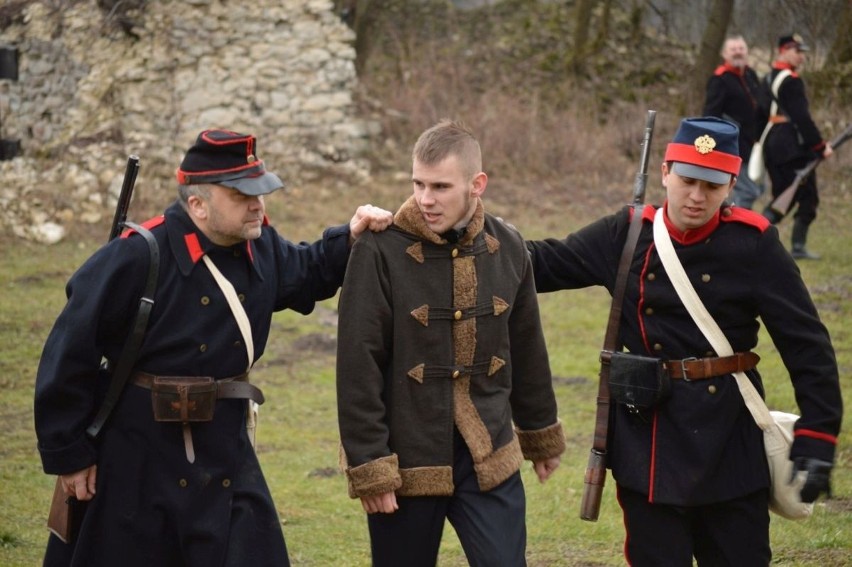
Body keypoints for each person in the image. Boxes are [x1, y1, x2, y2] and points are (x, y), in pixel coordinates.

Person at [34, 128, 394, 567]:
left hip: (223, 450)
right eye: (242, 195)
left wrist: (350, 237)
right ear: (198, 204)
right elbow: (70, 352)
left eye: (260, 192)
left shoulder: (259, 246)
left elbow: (306, 270)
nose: (257, 204)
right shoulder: (137, 256)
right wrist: (70, 456)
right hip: (136, 455)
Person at [526, 117, 842, 566]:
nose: (697, 196)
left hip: (729, 442)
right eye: (688, 180)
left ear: (732, 183)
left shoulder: (754, 244)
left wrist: (817, 435)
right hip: (647, 443)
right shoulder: (628, 232)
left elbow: (807, 344)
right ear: (665, 174)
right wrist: (469, 228)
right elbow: (541, 263)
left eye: (712, 186)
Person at [335, 119, 566, 567]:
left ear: (477, 184)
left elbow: (527, 346)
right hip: (406, 460)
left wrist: (541, 434)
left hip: (488, 451)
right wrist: (371, 466)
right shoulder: (378, 251)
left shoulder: (510, 245)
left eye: (440, 186)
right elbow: (357, 364)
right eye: (418, 183)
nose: (425, 198)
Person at [760, 33, 834, 259]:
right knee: (806, 197)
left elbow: (759, 115)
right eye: (797, 51)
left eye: (802, 52)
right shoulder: (791, 80)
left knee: (784, 195)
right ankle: (787, 244)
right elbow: (802, 117)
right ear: (783, 50)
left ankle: (760, 238)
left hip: (771, 143)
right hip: (791, 146)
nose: (801, 56)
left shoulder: (767, 79)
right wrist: (820, 146)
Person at [702, 34, 765, 209]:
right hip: (734, 146)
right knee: (748, 191)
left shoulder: (750, 74)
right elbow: (710, 115)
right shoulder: (719, 80)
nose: (738, 52)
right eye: (733, 49)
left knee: (759, 188)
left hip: (755, 145)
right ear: (724, 54)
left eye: (741, 49)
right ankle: (734, 227)